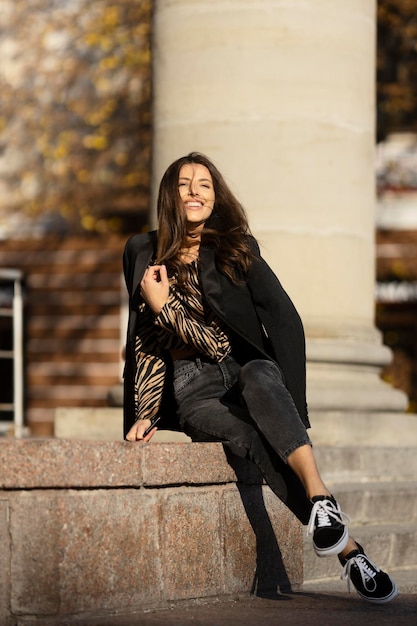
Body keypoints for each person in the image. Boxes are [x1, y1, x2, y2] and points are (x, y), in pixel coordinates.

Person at [123, 152, 398, 604]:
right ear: (168, 194)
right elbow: (146, 341)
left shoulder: (235, 247)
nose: (195, 192)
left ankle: (321, 497)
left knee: (259, 378)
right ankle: (351, 553)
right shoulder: (139, 251)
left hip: (246, 367)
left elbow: (284, 321)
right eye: (185, 183)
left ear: (215, 199)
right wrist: (144, 411)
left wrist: (295, 405)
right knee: (252, 440)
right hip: (193, 386)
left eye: (205, 185)